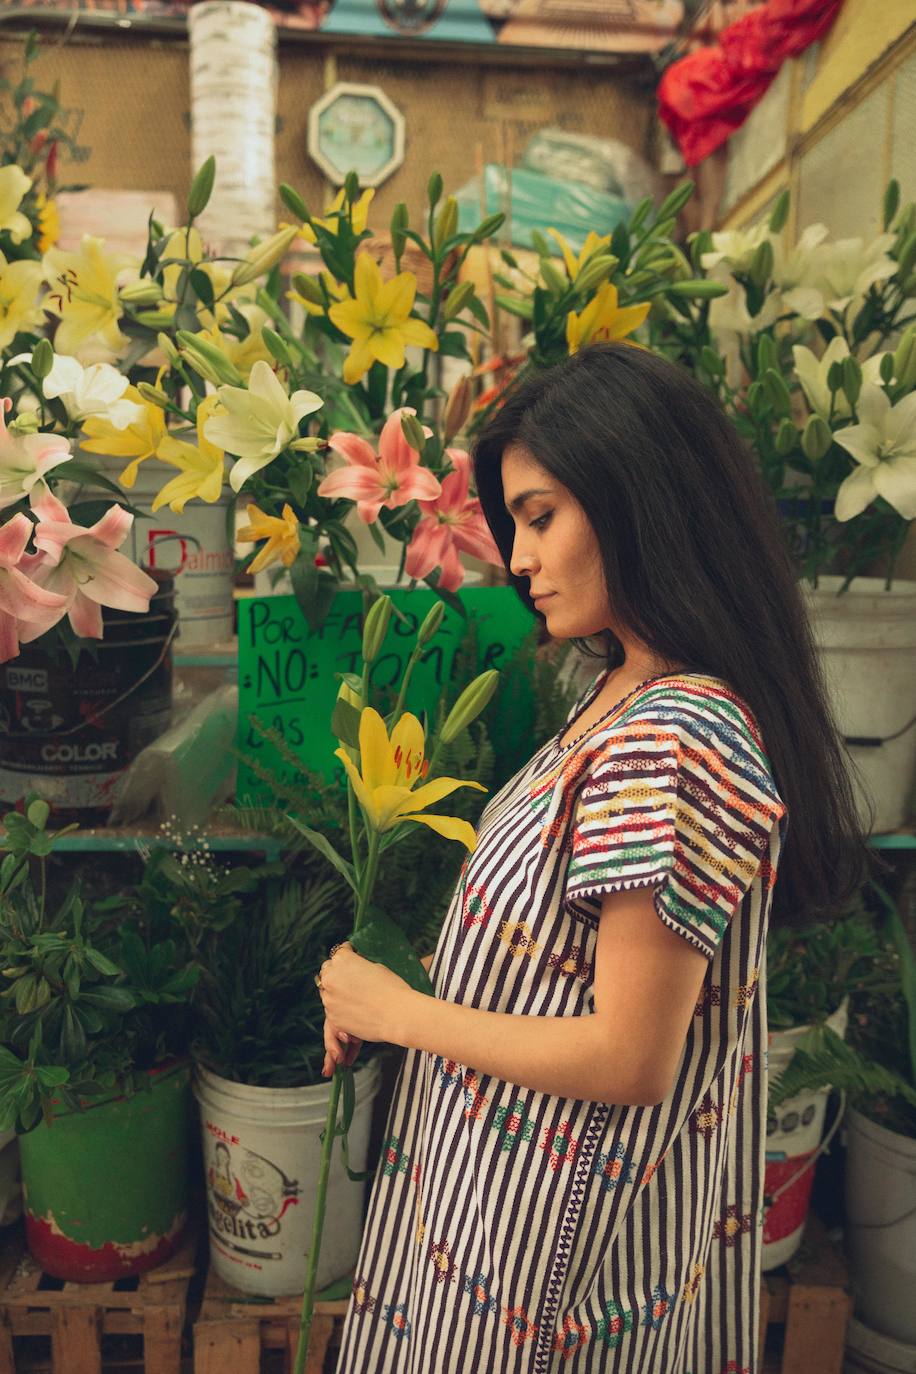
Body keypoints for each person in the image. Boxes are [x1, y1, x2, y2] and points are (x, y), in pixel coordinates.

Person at [318, 341, 865, 1373]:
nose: (517, 559)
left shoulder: (671, 739)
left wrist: (405, 1016)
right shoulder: (613, 698)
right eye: (512, 523)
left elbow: (629, 1054)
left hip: (548, 1267)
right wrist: (408, 997)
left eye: (540, 517)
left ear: (639, 500)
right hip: (493, 1215)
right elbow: (555, 962)